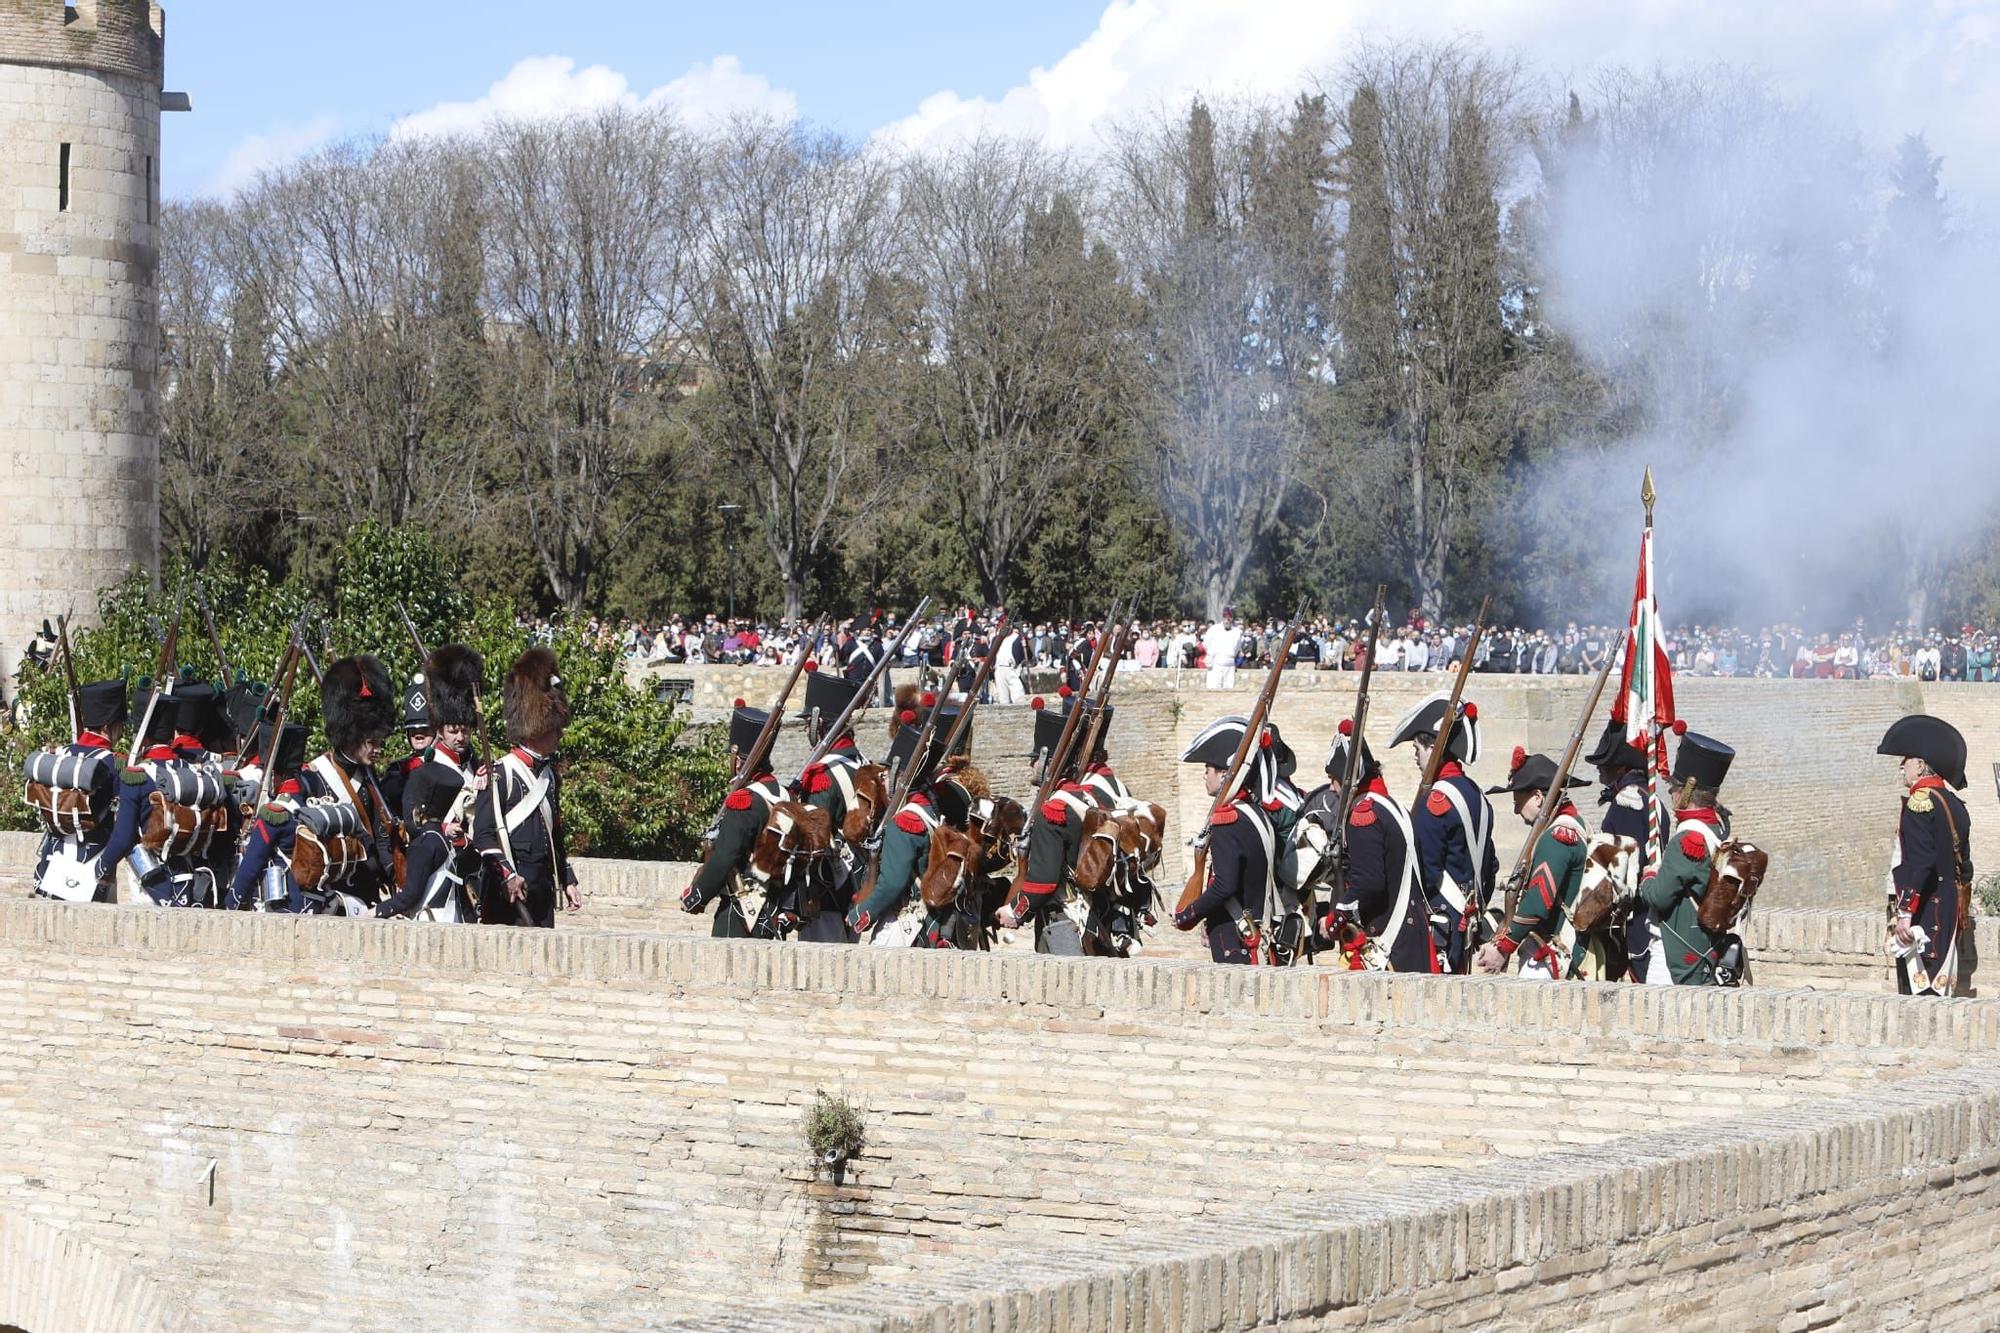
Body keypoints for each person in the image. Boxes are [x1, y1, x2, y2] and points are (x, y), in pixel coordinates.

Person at [1297, 720, 1436, 973]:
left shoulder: (1364, 815)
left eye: (1334, 779)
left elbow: (1368, 882)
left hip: (1388, 940)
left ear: (1348, 779)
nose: (1331, 787)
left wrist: (1336, 917)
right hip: (1410, 933)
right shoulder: (1392, 806)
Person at [1389, 692, 1497, 972]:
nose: (1415, 757)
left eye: (1417, 749)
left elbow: (1425, 869)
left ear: (1432, 747)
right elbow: (1490, 865)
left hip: (1439, 923)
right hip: (1465, 921)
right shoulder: (1478, 797)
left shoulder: (1437, 800)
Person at [473, 647, 579, 928]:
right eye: (554, 728)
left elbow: (554, 834)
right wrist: (508, 875)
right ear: (538, 728)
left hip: (542, 893)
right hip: (507, 894)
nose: (559, 734)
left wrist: (566, 879)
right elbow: (483, 836)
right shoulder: (500, 773)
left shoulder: (550, 776)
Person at [378, 645, 486, 921]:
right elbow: (409, 821)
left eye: (465, 730)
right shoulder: (420, 770)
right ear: (441, 730)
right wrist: (442, 826)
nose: (460, 736)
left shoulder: (477, 764)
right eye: (454, 730)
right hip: (436, 862)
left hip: (474, 863)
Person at [294, 655, 403, 912]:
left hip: (367, 893)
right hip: (329, 895)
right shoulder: (315, 776)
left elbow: (382, 837)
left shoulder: (371, 778)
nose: (378, 749)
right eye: (372, 742)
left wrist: (396, 874)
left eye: (381, 742)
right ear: (354, 734)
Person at [1877, 715, 1974, 996]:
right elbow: (1964, 866)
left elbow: (1920, 864)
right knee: (1940, 993)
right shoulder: (1955, 804)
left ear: (1920, 765)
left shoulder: (1920, 803)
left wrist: (1905, 913)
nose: (1901, 766)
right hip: (1948, 910)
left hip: (1925, 912)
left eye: (1906, 760)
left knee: (1919, 996)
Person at [1636, 732, 1743, 986]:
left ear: (1687, 791)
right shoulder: (1717, 828)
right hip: (1702, 945)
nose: (1672, 791)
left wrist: (1649, 877)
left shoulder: (1689, 839)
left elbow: (1658, 897)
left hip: (1676, 952)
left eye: (1675, 787)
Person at [1475, 750, 1592, 979]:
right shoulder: (1572, 825)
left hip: (1553, 953)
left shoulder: (1557, 836)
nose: (1517, 810)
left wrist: (1503, 948)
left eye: (1519, 801)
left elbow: (1538, 901)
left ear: (1538, 797)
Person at [1171, 717, 1277, 964]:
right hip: (1253, 930)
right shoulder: (1255, 812)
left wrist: (1189, 914)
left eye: (1208, 769)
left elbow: (1224, 885)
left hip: (1235, 937)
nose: (1204, 775)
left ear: (1224, 774)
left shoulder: (1229, 819)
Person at [681, 702, 787, 937]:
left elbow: (725, 856)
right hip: (772, 910)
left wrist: (697, 895)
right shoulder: (785, 794)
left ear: (737, 759)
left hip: (740, 912)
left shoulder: (745, 801)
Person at [24, 677, 129, 903]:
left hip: (51, 860)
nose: (122, 730)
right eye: (120, 724)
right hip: (92, 869)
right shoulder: (113, 764)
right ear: (107, 726)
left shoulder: (60, 755)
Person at [1586, 722, 1662, 983]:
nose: (1599, 767)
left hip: (1633, 921)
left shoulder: (1627, 802)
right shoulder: (1648, 798)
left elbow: (1625, 869)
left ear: (1621, 766)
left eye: (1605, 762)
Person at [224, 720, 313, 912]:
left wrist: (233, 901)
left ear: (274, 774)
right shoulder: (306, 803)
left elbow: (252, 862)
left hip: (282, 904)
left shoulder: (273, 813)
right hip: (308, 901)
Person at [1202, 614, 1241, 690]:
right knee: (1214, 685)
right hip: (1216, 661)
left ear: (1232, 619)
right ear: (1223, 618)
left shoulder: (1237, 632)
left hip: (1230, 662)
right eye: (1225, 619)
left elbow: (1237, 647)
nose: (1227, 621)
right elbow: (1206, 643)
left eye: (1229, 619)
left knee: (1228, 687)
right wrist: (1211, 654)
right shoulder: (1214, 629)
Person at [994, 621, 1029, 705]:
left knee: (1018, 693)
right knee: (1003, 697)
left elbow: (1026, 654)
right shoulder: (997, 639)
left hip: (1012, 668)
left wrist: (1025, 646)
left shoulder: (1018, 638)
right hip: (999, 668)